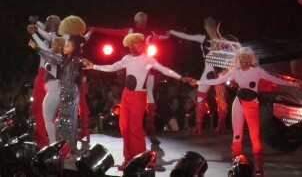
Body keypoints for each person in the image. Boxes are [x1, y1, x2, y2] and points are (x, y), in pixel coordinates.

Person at [83, 33, 193, 170]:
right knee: (124, 128)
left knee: (135, 129)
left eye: (141, 43)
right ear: (129, 45)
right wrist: (94, 66)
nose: (140, 45)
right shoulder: (127, 58)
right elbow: (112, 67)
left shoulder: (147, 59)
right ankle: (128, 159)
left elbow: (164, 69)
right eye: (136, 43)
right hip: (126, 96)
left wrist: (181, 77)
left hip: (138, 97)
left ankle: (141, 159)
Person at [188, 47, 301, 177]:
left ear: (250, 59)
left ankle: (260, 169)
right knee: (237, 136)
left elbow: (276, 80)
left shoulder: (257, 71)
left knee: (255, 138)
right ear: (238, 59)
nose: (244, 60)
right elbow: (217, 81)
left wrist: (296, 84)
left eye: (247, 57)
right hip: (238, 103)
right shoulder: (235, 72)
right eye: (242, 57)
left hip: (252, 104)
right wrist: (197, 81)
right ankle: (235, 165)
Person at [90, 11, 168, 135]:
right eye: (140, 21)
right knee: (132, 93)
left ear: (146, 22)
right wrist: (97, 29)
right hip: (134, 66)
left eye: (144, 21)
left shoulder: (150, 33)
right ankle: (133, 123)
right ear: (136, 22)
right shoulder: (131, 31)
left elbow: (163, 37)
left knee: (149, 93)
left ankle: (150, 123)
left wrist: (171, 35)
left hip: (147, 66)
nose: (142, 23)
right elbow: (113, 31)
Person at [36, 15, 87, 156]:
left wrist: (36, 39)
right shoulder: (67, 58)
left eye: (67, 45)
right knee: (66, 121)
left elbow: (52, 52)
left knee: (66, 121)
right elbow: (52, 54)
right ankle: (67, 148)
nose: (65, 46)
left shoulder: (75, 59)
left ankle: (67, 149)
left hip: (69, 91)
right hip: (66, 91)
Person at [168, 17, 229, 134]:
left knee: (201, 95)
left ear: (206, 26)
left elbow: (185, 36)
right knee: (221, 98)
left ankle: (199, 126)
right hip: (220, 72)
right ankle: (221, 125)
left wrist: (171, 32)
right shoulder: (222, 40)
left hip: (210, 70)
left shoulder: (204, 38)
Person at [26, 15, 61, 148]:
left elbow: (46, 39)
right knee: (49, 112)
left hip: (45, 76)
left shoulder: (54, 38)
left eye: (47, 22)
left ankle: (43, 140)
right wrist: (37, 26)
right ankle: (51, 139)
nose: (44, 23)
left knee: (39, 109)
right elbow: (45, 31)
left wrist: (35, 33)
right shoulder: (55, 37)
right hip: (51, 77)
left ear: (53, 25)